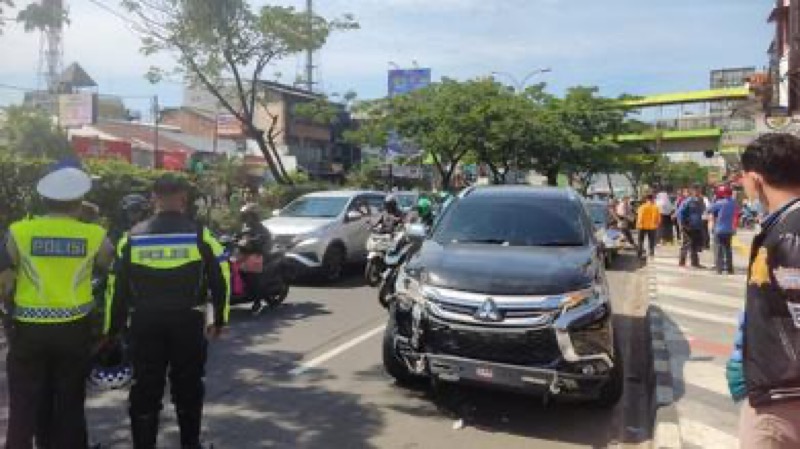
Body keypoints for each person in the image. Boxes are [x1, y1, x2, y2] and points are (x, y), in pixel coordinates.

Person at [105, 174, 230, 449]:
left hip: (144, 322)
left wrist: (111, 329)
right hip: (187, 321)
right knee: (188, 385)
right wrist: (220, 319)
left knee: (145, 387)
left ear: (153, 199)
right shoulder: (200, 234)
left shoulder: (132, 237)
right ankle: (190, 444)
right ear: (183, 199)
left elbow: (116, 287)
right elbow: (222, 277)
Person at [0, 160, 115, 449]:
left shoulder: (19, 232)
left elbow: (4, 278)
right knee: (70, 402)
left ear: (44, 197)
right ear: (79, 199)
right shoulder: (94, 235)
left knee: (23, 404)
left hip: (28, 330)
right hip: (73, 330)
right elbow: (109, 265)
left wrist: (8, 307)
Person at [722, 133, 800, 449]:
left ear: (756, 178)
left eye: (742, 177)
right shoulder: (782, 224)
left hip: (782, 397)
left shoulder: (789, 233)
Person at [238, 203, 273, 316]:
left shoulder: (261, 228)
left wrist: (253, 241)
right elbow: (238, 236)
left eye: (248, 215)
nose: (246, 218)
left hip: (259, 254)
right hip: (246, 253)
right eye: (245, 215)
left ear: (254, 216)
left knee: (251, 274)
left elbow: (262, 240)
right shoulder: (245, 226)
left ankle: (257, 302)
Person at [708, 185, 738, 275]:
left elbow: (709, 209)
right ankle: (730, 269)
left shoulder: (720, 202)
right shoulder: (733, 203)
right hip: (729, 229)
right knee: (728, 249)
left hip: (719, 229)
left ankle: (719, 269)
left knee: (718, 249)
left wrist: (714, 199)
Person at [677, 185, 707, 269]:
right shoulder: (688, 201)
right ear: (692, 191)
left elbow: (703, 212)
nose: (697, 192)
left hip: (697, 226)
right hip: (688, 226)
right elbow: (680, 213)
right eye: (696, 190)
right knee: (687, 243)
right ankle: (682, 262)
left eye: (699, 190)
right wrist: (683, 224)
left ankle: (695, 263)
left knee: (695, 245)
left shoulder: (701, 201)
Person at [636, 194, 661, 258]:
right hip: (652, 226)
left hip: (642, 226)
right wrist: (657, 225)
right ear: (652, 199)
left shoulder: (642, 207)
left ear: (646, 199)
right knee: (651, 241)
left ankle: (639, 254)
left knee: (640, 241)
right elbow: (658, 218)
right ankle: (651, 253)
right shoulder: (656, 207)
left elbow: (640, 217)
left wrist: (638, 225)